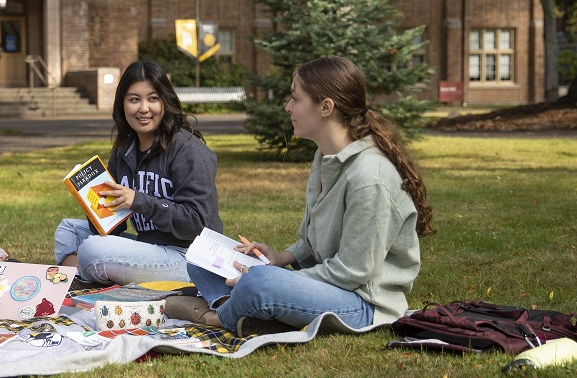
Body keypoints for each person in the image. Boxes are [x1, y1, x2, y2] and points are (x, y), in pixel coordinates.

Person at [167, 56, 434, 336]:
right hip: (326, 285)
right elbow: (314, 239)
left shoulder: (370, 177)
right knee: (199, 259)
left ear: (325, 107)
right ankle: (248, 308)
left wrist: (277, 277)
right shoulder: (326, 155)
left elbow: (355, 272)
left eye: (295, 98)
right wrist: (280, 257)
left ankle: (218, 317)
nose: (288, 107)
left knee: (259, 282)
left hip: (364, 304)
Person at [53, 60, 223, 285]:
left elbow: (197, 223)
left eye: (153, 99)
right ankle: (86, 278)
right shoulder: (125, 150)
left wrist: (138, 200)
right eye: (134, 99)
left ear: (165, 102)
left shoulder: (188, 149)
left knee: (93, 250)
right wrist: (93, 205)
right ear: (123, 105)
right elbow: (114, 229)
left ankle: (80, 280)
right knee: (69, 230)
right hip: (151, 247)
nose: (144, 108)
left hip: (192, 259)